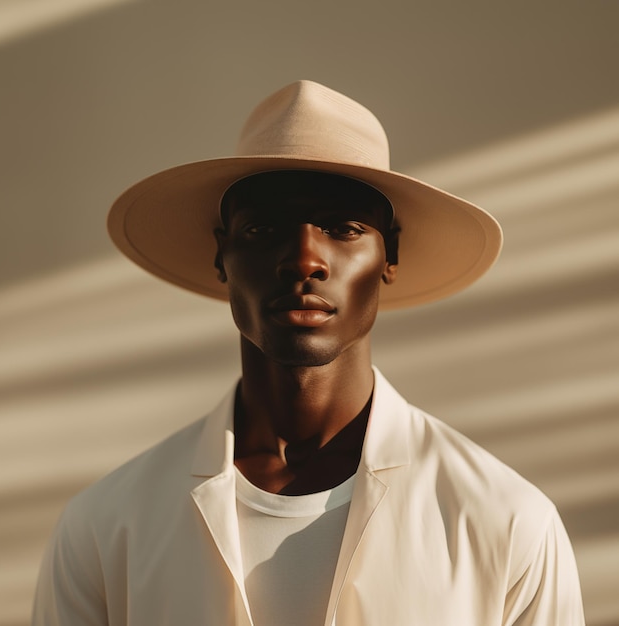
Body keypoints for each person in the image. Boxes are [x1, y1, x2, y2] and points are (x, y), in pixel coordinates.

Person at [32, 80, 585, 625]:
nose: (303, 259)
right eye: (264, 227)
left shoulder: (504, 521)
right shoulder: (105, 529)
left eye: (343, 227)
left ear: (388, 256)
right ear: (222, 255)